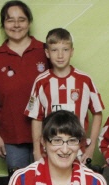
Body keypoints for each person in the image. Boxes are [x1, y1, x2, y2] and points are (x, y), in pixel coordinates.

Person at [0, 0, 45, 172]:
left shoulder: (44, 51)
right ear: (3, 24)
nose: (16, 25)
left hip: (46, 136)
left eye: (21, 19)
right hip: (12, 139)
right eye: (10, 20)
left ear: (29, 22)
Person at [25, 27, 104, 164]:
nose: (60, 55)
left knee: (78, 184)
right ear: (47, 53)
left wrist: (91, 148)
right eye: (55, 50)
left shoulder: (85, 80)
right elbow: (36, 118)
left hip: (79, 152)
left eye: (65, 50)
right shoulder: (41, 82)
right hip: (51, 151)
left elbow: (97, 112)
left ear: (72, 51)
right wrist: (37, 152)